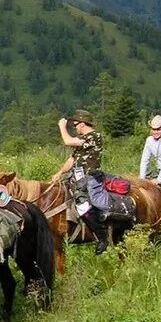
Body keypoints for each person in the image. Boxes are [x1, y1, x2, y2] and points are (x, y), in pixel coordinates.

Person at [51, 109, 110, 254]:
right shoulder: (83, 141)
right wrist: (59, 173)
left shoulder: (94, 137)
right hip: (77, 175)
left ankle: (101, 235)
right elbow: (72, 159)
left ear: (83, 124)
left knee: (81, 202)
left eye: (76, 124)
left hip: (89, 177)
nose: (75, 128)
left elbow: (67, 141)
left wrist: (62, 127)